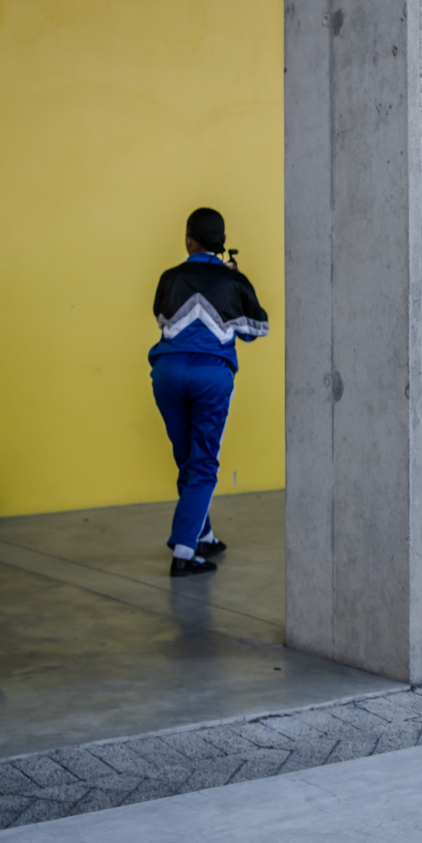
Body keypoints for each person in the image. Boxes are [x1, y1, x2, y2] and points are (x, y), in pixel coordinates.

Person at [149, 208, 269, 578]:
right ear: (223, 242)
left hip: (167, 373)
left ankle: (204, 534)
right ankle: (185, 551)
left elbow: (160, 318)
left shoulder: (169, 279)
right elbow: (256, 330)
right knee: (203, 462)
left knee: (187, 457)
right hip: (210, 377)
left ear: (188, 239)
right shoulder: (234, 281)